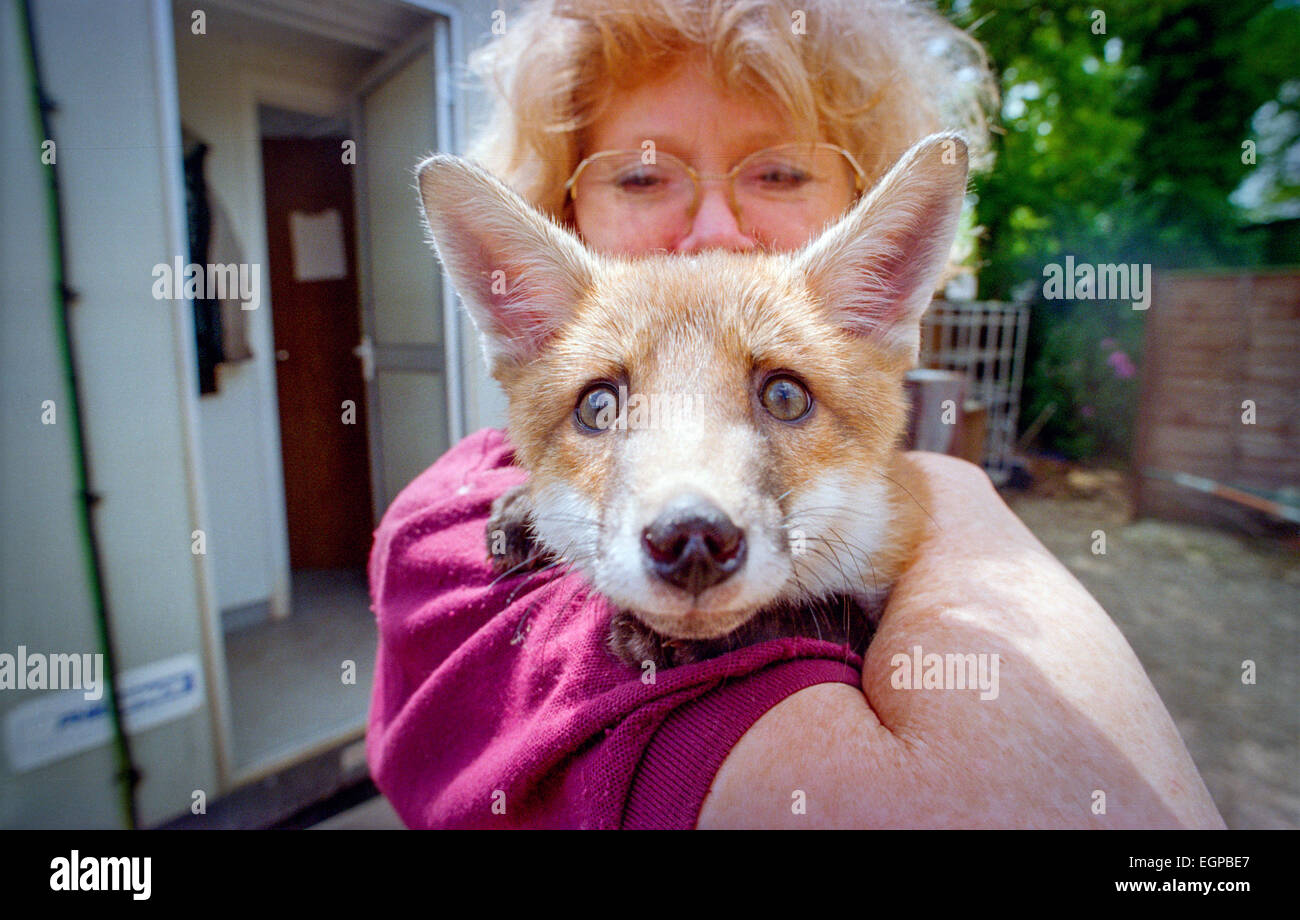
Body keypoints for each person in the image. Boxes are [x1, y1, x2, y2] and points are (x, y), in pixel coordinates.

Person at [365, 0, 1226, 829]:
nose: (713, 229)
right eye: (640, 174)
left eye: (779, 171)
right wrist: (965, 509)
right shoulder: (446, 536)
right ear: (557, 214)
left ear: (875, 248)